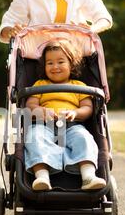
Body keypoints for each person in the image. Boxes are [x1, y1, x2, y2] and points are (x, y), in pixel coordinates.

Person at [24, 39, 106, 191]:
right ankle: (42, 176)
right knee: (34, 138)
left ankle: (88, 176)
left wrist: (75, 113)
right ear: (44, 66)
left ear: (71, 64)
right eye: (50, 63)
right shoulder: (40, 85)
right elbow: (30, 106)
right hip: (44, 124)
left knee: (84, 139)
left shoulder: (79, 87)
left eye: (60, 62)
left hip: (72, 125)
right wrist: (41, 111)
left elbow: (87, 108)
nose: (55, 67)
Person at [0, 0, 113, 43]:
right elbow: (7, 26)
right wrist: (12, 31)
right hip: (37, 60)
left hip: (77, 56)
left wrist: (91, 29)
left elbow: (104, 18)